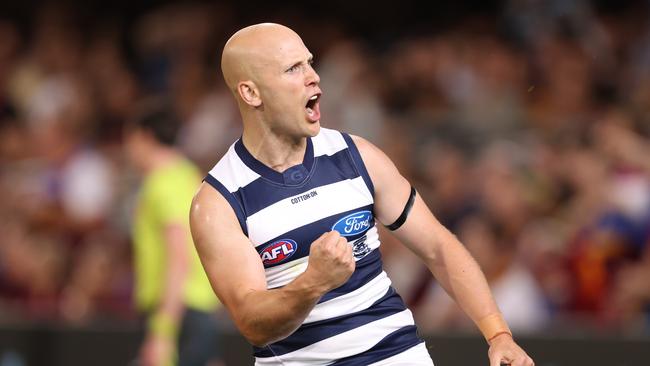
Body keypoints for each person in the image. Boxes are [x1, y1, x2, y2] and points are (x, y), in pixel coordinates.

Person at [190, 23, 534, 366]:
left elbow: (439, 247)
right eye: (293, 68)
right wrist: (313, 282)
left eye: (310, 63)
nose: (314, 77)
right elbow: (252, 323)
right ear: (251, 93)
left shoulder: (356, 156)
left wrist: (498, 335)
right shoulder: (218, 202)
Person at [124, 101, 222, 366]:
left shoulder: (161, 184)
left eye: (130, 140)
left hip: (175, 312)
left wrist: (162, 332)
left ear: (144, 137)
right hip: (198, 310)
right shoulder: (192, 177)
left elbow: (178, 255)